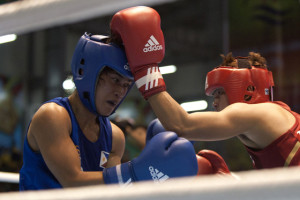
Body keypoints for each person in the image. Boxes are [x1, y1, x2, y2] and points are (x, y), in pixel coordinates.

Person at [110, 6, 300, 169]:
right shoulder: (277, 115)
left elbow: (182, 125)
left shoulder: (252, 113)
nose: (215, 103)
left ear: (247, 91)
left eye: (219, 94)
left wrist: (145, 70)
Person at [19, 33, 198, 190]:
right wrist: (137, 171)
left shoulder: (114, 137)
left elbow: (114, 191)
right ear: (87, 73)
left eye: (126, 85)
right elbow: (72, 181)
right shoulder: (53, 116)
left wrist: (155, 182)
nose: (120, 91)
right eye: (115, 80)